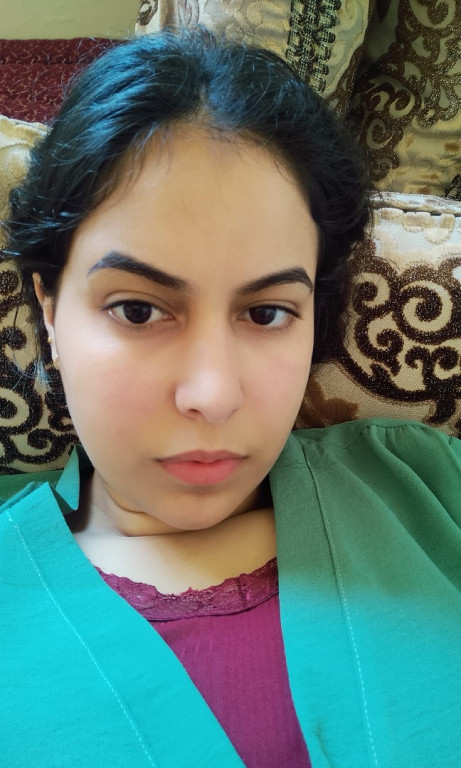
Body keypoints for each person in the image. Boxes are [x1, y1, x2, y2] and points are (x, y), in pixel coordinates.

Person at [1, 29, 460, 768]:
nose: (212, 396)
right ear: (50, 310)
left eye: (266, 313)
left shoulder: (427, 486)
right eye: (138, 310)